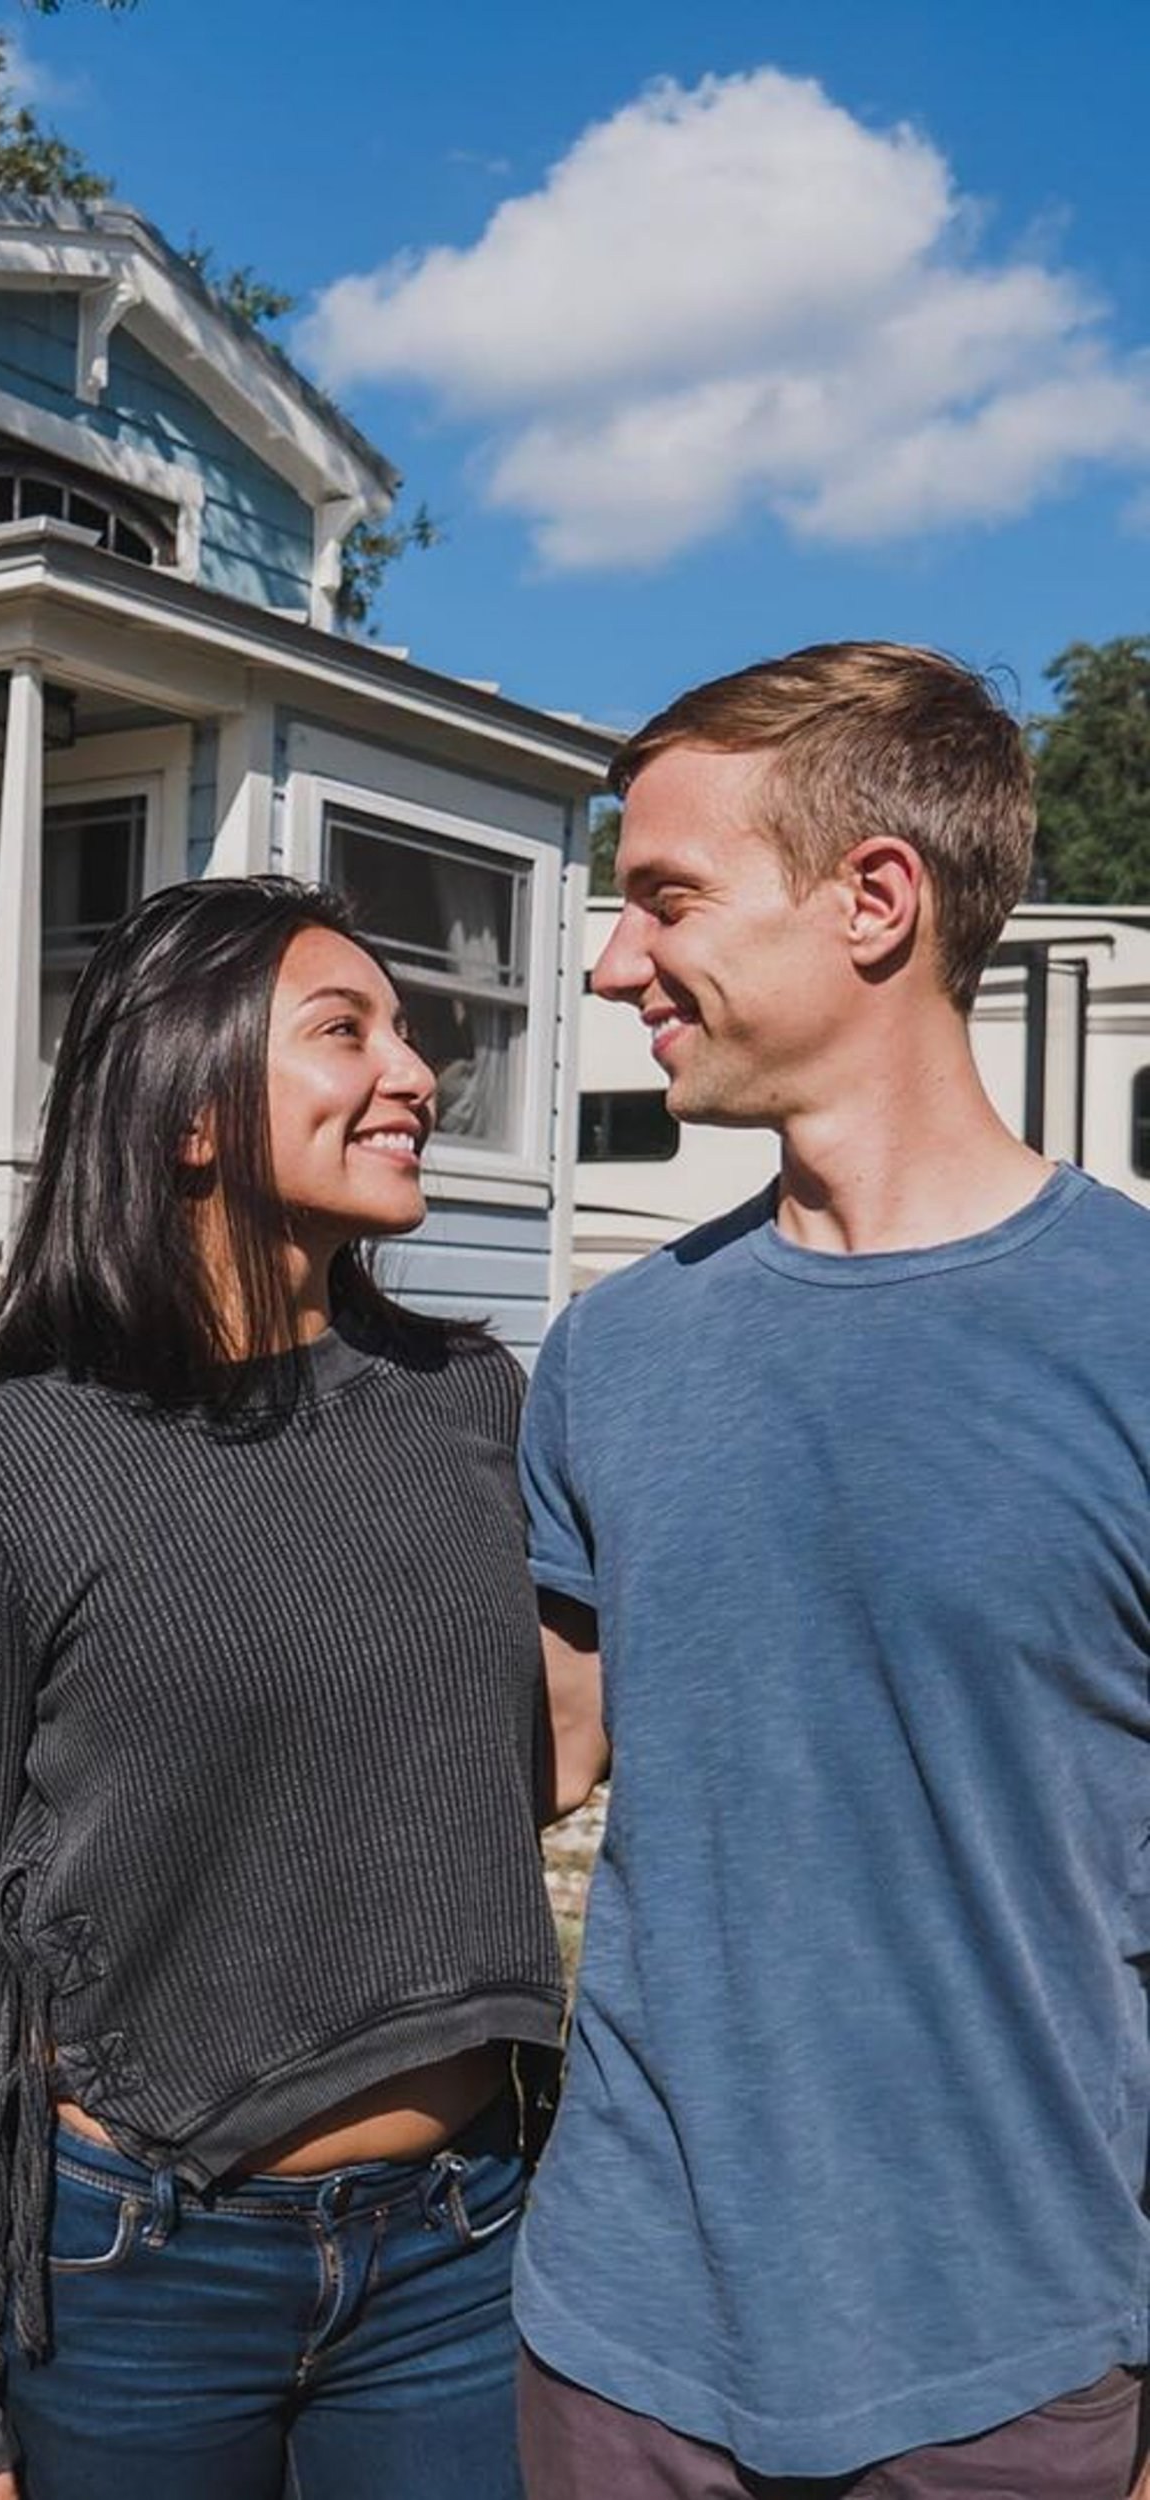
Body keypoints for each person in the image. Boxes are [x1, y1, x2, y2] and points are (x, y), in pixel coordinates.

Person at [0, 875, 569, 2500]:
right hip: (139, 2274)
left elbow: (527, 1755)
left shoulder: (471, 1406)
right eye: (343, 1031)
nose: (414, 1075)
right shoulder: (7, 1479)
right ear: (185, 1113)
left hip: (465, 2251)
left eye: (406, 1032)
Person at [516, 642, 1150, 2497]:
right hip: (622, 2346)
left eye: (666, 899)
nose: (617, 963)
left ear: (877, 901)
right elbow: (536, 1761)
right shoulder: (616, 1352)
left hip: (1009, 2359)